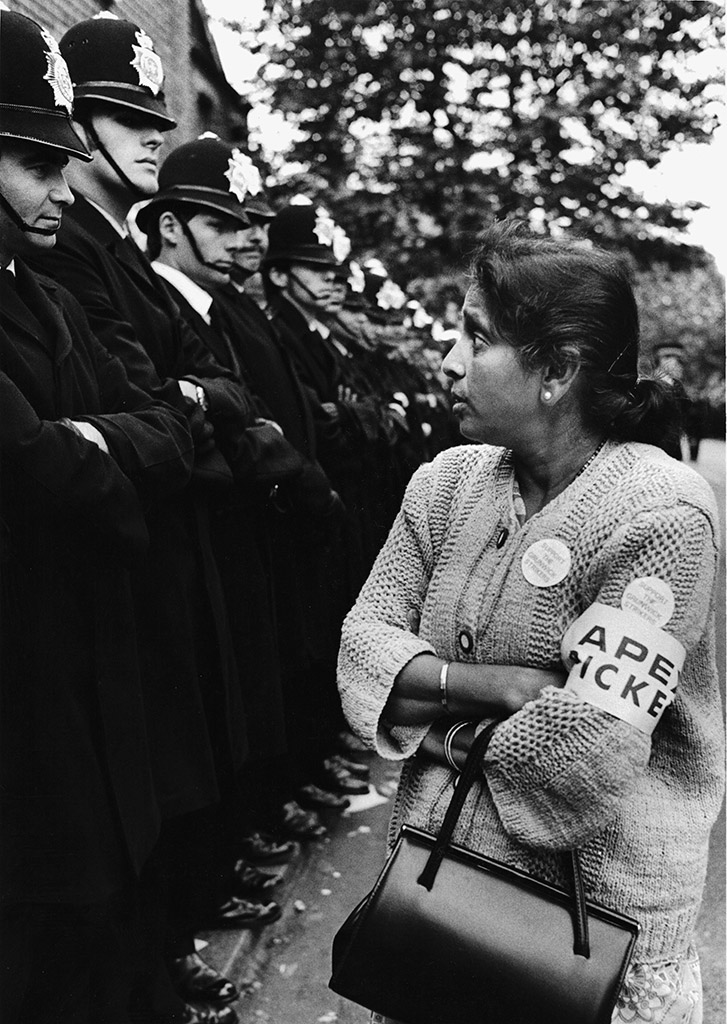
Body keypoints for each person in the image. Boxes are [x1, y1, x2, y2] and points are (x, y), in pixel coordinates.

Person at [337, 220, 724, 1024]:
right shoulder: (443, 484)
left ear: (555, 370)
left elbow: (590, 746)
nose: (447, 362)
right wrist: (505, 688)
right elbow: (361, 645)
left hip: (594, 936)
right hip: (437, 894)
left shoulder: (663, 513)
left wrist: (433, 708)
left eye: (474, 338)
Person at [0, 11, 194, 1022]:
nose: (62, 188)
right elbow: (34, 463)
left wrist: (96, 441)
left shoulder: (42, 290)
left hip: (83, 653)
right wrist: (103, 444)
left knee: (102, 916)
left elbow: (151, 424)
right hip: (27, 675)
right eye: (35, 162)